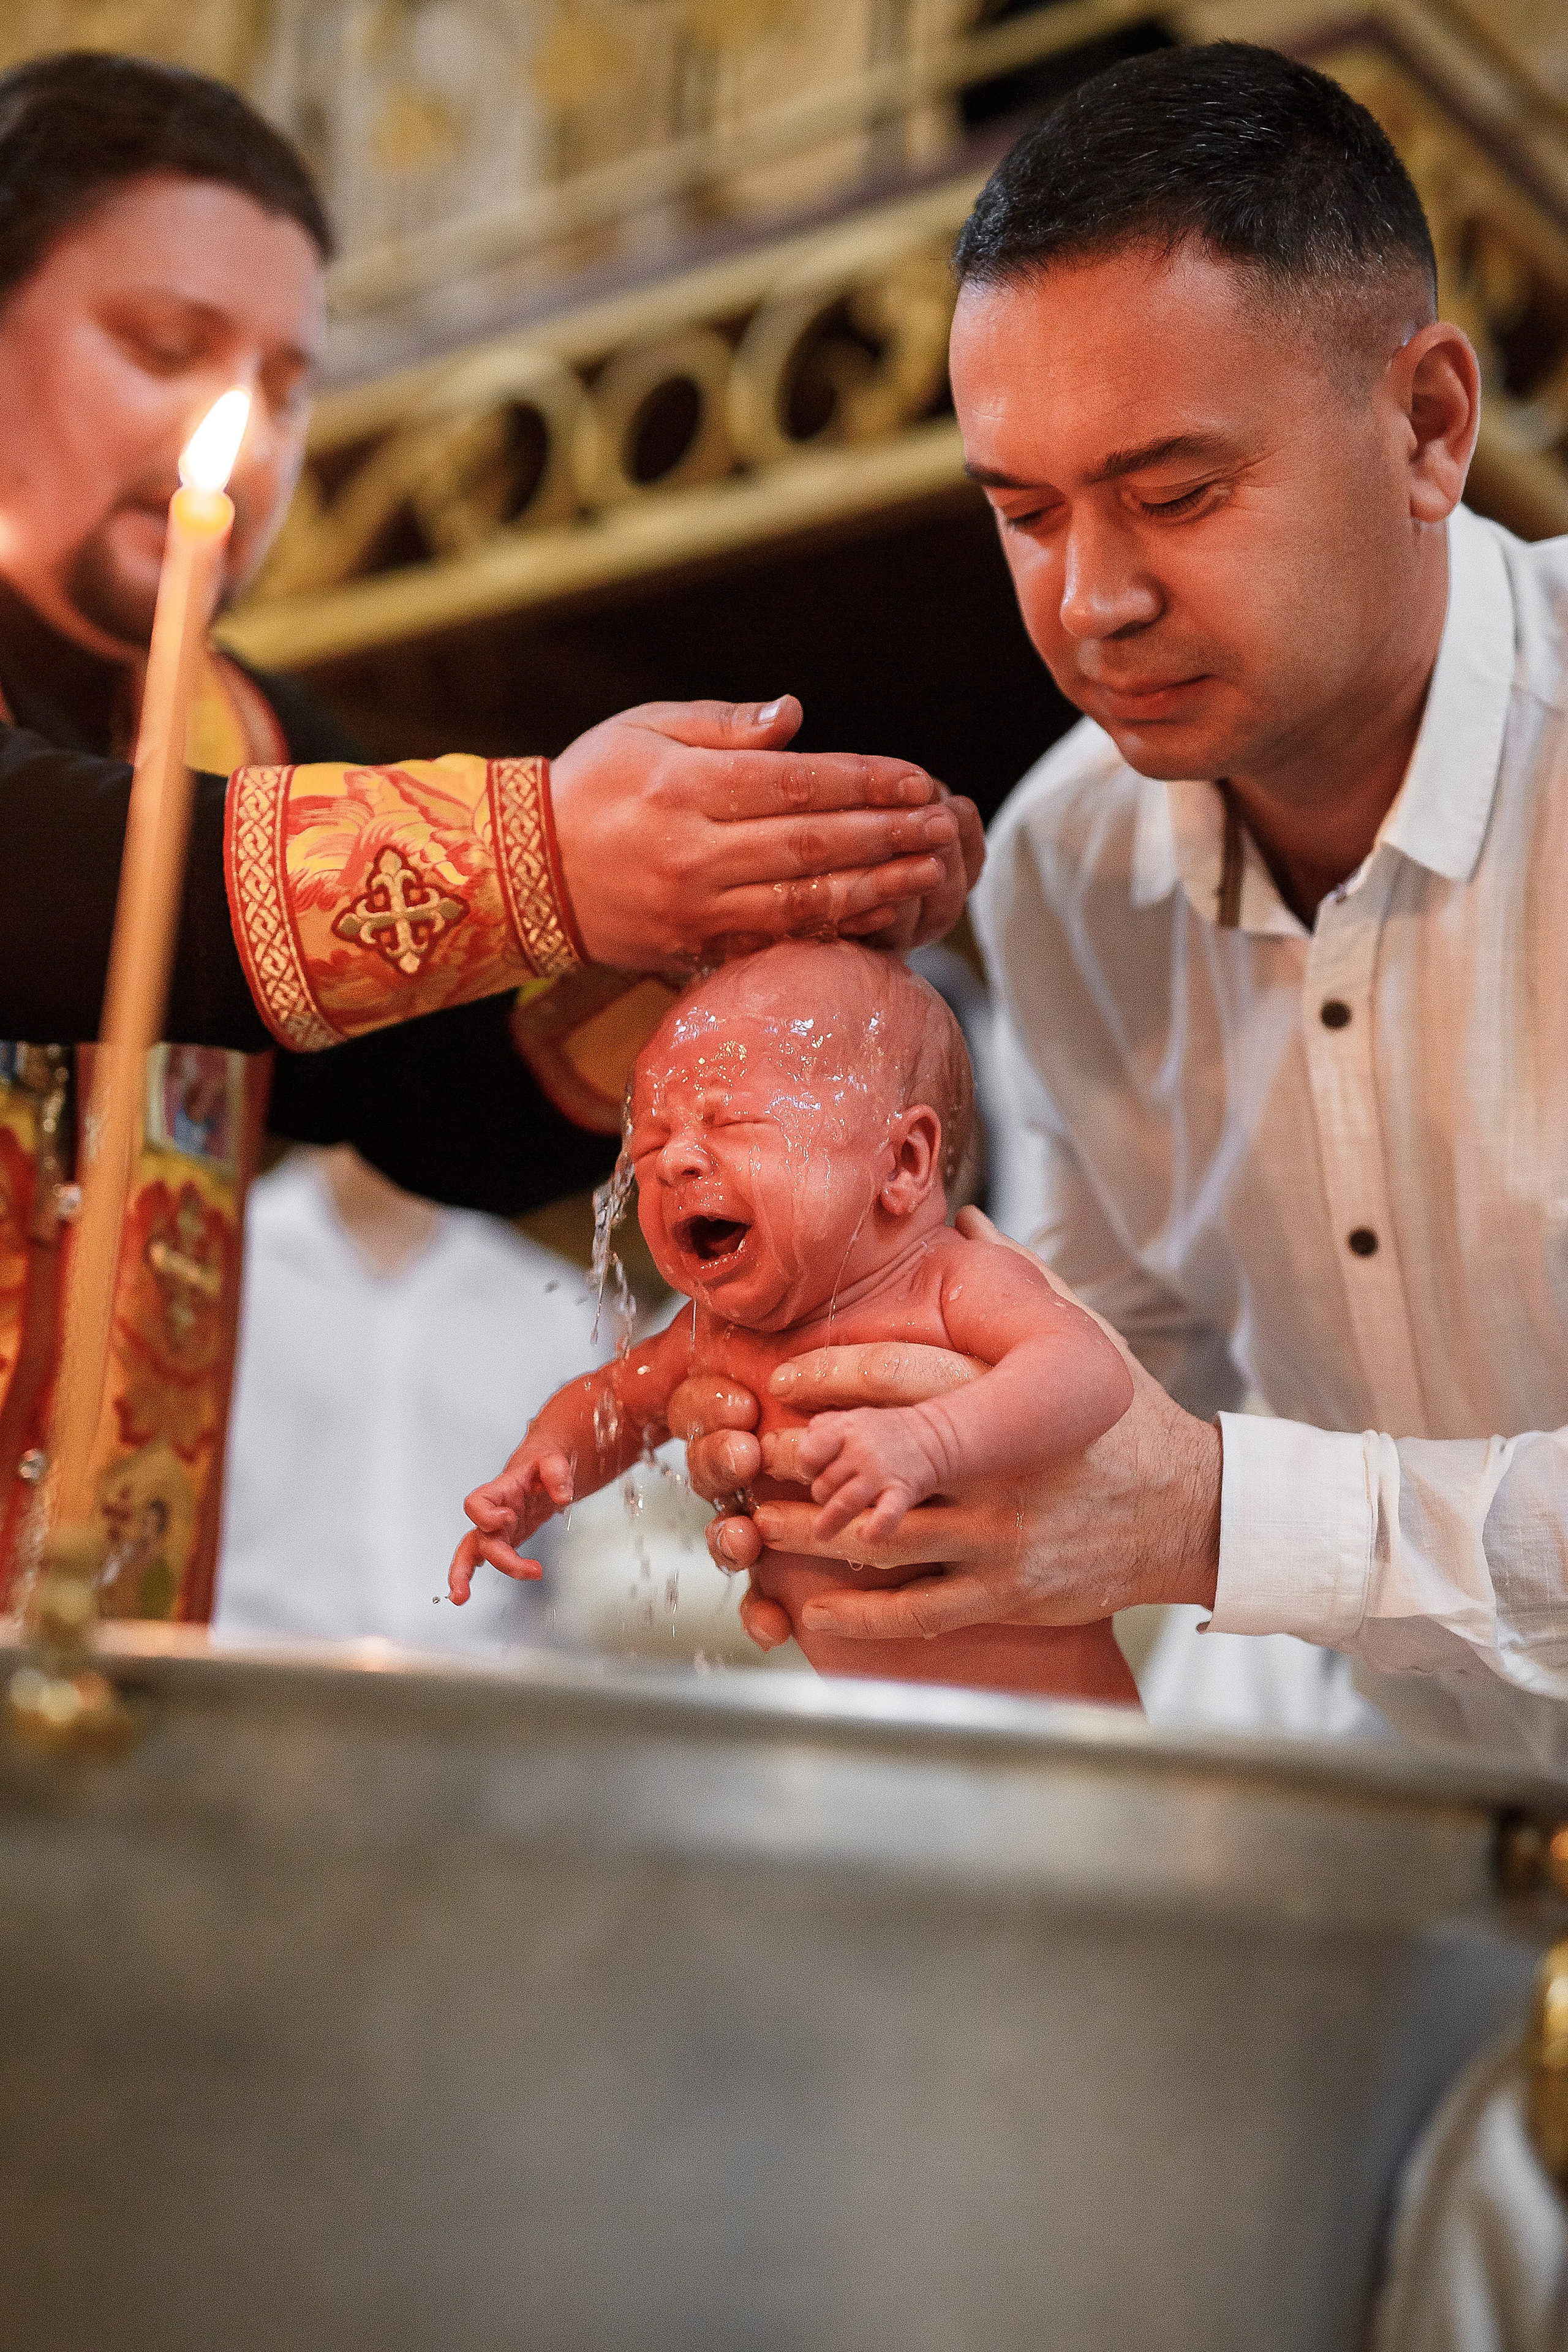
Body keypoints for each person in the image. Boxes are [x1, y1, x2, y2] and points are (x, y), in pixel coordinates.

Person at [0, 51, 979, 1617]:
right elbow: (44, 871)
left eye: (287, 381)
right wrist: (540, 854)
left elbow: (439, 1092)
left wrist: (729, 952)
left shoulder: (234, 741)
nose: (236, 435)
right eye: (163, 345)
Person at [677, 43, 1568, 1765]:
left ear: (1430, 426)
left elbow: (1177, 1495)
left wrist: (1220, 1516)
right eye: (1023, 513)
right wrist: (858, 1392)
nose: (1091, 601)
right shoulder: (1075, 870)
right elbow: (1089, 1411)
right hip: (1458, 1867)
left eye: (1176, 495)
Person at [448, 941, 1139, 1702]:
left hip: (1050, 1728)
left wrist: (931, 1441)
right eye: (647, 1139)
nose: (674, 1159)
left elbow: (1087, 1373)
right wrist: (542, 1467)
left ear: (904, 1162)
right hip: (859, 1730)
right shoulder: (714, 1331)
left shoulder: (951, 1282)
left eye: (731, 1121)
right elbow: (617, 1399)